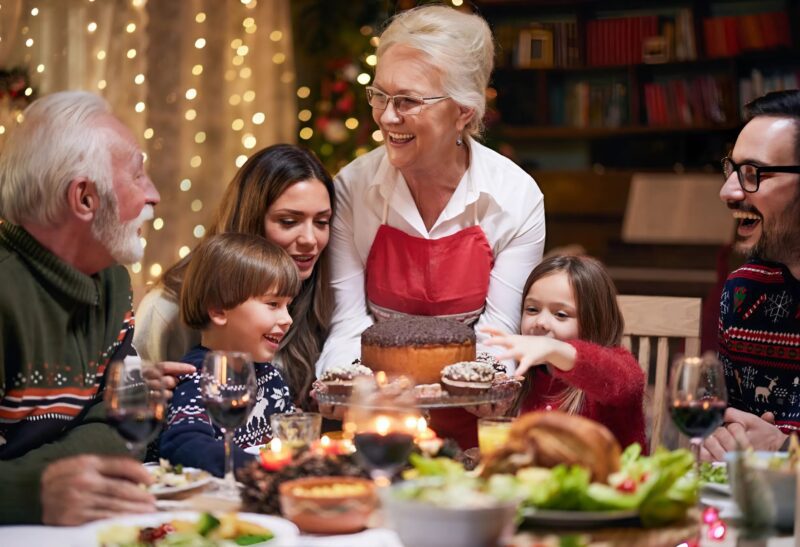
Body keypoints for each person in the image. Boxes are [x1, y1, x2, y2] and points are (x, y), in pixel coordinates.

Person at [315, 4, 546, 447]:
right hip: (373, 422)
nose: (385, 117)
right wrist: (343, 389)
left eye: (408, 101)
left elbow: (497, 333)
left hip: (474, 425)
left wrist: (482, 391)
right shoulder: (352, 187)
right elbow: (348, 322)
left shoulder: (515, 198)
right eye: (379, 95)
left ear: (463, 111)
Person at [0, 91, 192, 525]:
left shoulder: (111, 279)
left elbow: (124, 422)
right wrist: (31, 490)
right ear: (84, 198)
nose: (155, 195)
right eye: (138, 177)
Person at [135, 144, 334, 409]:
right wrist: (142, 393)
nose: (311, 240)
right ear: (250, 219)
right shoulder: (167, 307)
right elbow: (130, 405)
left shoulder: (321, 295)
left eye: (321, 222)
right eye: (288, 221)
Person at [701, 89, 800, 461]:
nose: (728, 192)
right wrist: (722, 439)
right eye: (732, 170)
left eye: (753, 173)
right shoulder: (744, 291)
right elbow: (729, 422)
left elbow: (774, 445)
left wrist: (785, 448)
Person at [160, 233, 299, 477]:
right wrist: (260, 469)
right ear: (218, 310)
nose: (287, 319)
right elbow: (184, 445)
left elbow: (287, 436)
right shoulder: (198, 379)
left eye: (288, 305)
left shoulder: (272, 377)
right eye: (273, 304)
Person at [484, 256, 646, 450]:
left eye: (561, 314)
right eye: (532, 309)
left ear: (594, 322)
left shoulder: (615, 371)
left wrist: (554, 349)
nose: (541, 322)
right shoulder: (520, 378)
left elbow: (624, 382)